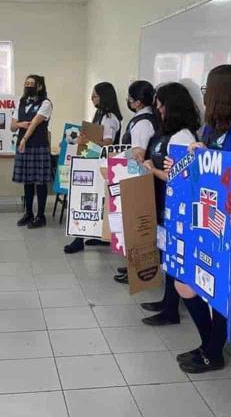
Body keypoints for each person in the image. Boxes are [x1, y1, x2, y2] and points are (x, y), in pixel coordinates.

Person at [170, 65, 231, 373]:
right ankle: (209, 343)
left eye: (207, 91)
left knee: (219, 288)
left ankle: (213, 350)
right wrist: (198, 155)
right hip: (206, 220)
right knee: (185, 283)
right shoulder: (213, 129)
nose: (204, 98)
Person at [134, 82, 200, 325]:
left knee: (173, 256)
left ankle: (171, 309)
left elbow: (179, 178)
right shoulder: (166, 134)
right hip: (163, 203)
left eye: (161, 105)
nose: (158, 109)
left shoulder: (183, 136)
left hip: (176, 207)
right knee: (167, 255)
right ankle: (167, 301)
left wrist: (152, 170)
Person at [64, 81, 123, 254]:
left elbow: (107, 144)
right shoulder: (99, 114)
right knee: (91, 201)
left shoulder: (110, 118)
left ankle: (79, 239)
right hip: (92, 161)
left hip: (103, 164)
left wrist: (86, 141)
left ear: (104, 97)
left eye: (95, 95)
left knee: (90, 201)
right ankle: (94, 236)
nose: (91, 98)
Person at [113, 80, 159, 284]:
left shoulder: (143, 123)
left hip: (138, 179)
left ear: (138, 102)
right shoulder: (142, 118)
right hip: (135, 176)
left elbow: (138, 154)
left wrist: (118, 157)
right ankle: (133, 265)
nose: (128, 102)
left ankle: (140, 270)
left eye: (130, 98)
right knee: (134, 226)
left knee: (139, 226)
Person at [11, 75, 53, 229]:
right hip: (24, 146)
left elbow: (35, 123)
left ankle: (40, 216)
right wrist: (20, 124)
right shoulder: (21, 102)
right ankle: (28, 212)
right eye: (26, 83)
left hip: (38, 146)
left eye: (31, 84)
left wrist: (23, 139)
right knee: (27, 181)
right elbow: (12, 126)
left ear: (40, 86)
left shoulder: (45, 103)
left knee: (40, 182)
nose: (28, 86)